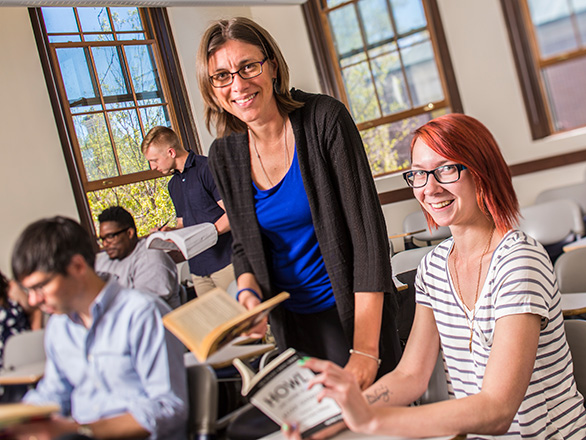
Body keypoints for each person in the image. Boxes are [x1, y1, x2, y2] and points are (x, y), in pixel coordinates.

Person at [287, 114, 586, 439]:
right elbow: (411, 375)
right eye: (418, 173)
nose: (429, 188)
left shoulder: (519, 261)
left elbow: (498, 410)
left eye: (446, 168)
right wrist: (340, 411)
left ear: (481, 172)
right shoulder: (433, 268)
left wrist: (371, 420)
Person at [197, 16, 402, 391]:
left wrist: (366, 351)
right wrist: (247, 295)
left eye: (248, 66)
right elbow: (244, 245)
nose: (239, 85)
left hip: (356, 315)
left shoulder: (324, 120)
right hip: (293, 326)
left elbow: (369, 240)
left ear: (272, 66)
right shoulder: (224, 154)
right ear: (212, 89)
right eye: (222, 75)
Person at [10, 216, 188, 440]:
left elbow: (168, 409)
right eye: (29, 291)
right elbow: (53, 394)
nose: (34, 301)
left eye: (40, 286)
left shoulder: (141, 314)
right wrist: (14, 421)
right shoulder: (59, 326)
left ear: (77, 267)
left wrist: (80, 431)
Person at [141, 126, 235, 296]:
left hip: (226, 261)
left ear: (171, 152)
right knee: (214, 323)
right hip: (198, 269)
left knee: (246, 320)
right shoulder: (173, 185)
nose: (152, 166)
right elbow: (183, 224)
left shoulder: (206, 168)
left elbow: (233, 214)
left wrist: (207, 235)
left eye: (154, 160)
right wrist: (170, 233)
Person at [95, 205, 181, 309]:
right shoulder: (103, 261)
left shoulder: (152, 260)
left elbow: (142, 309)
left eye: (110, 237)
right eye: (102, 239)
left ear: (129, 233)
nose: (105, 244)